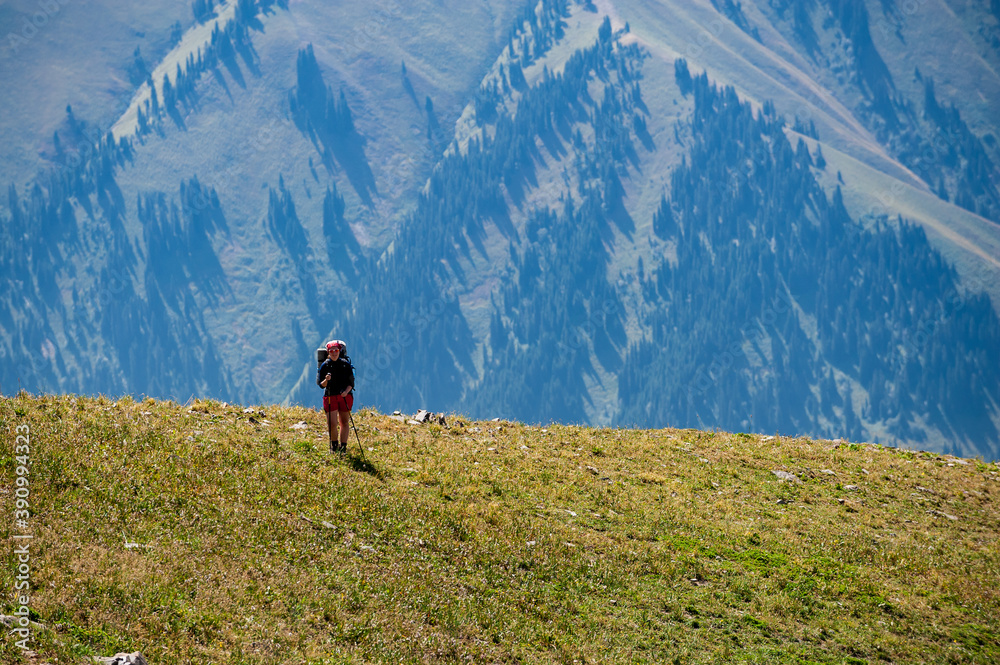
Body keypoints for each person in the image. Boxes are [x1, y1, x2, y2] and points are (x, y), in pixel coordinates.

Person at [317, 339, 355, 453]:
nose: (334, 353)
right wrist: (326, 380)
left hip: (344, 396)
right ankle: (334, 446)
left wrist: (346, 392)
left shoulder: (345, 365)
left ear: (339, 351)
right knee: (332, 423)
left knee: (344, 422)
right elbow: (321, 385)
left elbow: (351, 383)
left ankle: (343, 447)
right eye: (332, 351)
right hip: (330, 396)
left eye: (336, 350)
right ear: (328, 352)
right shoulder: (324, 366)